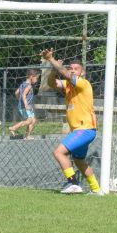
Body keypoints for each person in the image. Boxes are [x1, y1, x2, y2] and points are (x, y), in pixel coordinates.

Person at [40, 49, 102, 195]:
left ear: (82, 72)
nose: (73, 70)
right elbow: (51, 83)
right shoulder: (68, 84)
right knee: (79, 160)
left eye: (76, 69)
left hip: (85, 129)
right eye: (71, 68)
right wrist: (54, 70)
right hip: (81, 130)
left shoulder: (84, 83)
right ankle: (96, 189)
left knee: (59, 152)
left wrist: (51, 59)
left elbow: (66, 73)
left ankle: (73, 184)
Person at [9, 69, 40, 139]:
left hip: (25, 106)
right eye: (36, 78)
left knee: (33, 120)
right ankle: (13, 128)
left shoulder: (22, 84)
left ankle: (27, 135)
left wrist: (20, 100)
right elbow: (23, 95)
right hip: (26, 106)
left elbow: (16, 93)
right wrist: (25, 104)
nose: (37, 80)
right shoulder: (29, 86)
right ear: (31, 76)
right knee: (29, 120)